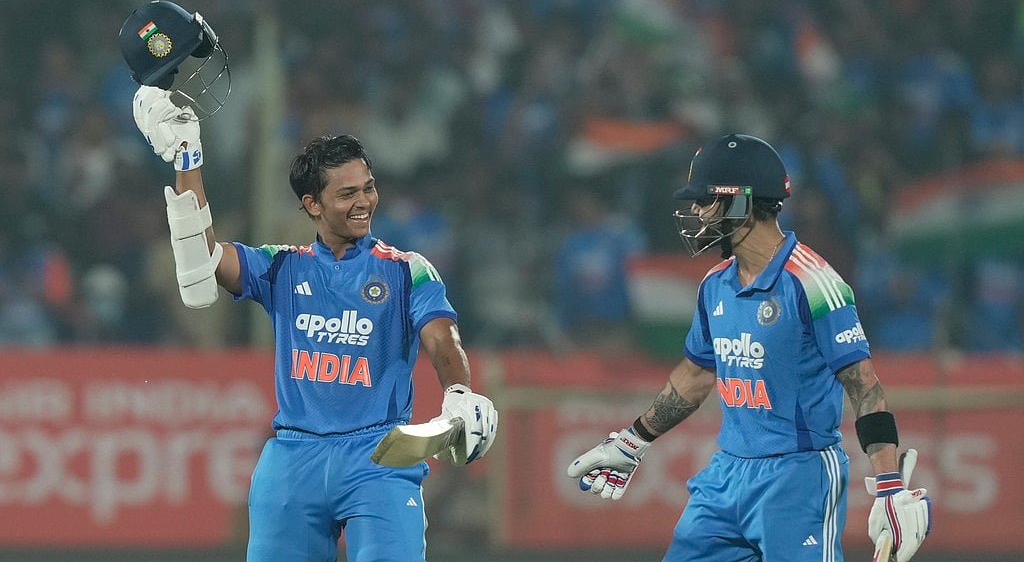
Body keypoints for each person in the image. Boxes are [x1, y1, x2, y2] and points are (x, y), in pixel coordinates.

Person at [131, 85, 497, 561]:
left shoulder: (407, 268)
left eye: (368, 187)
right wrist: (188, 159)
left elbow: (442, 336)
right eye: (346, 194)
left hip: (378, 459)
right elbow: (201, 262)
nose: (364, 201)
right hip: (292, 458)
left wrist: (458, 392)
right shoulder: (282, 266)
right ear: (312, 205)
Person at [566, 134, 931, 561]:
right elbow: (696, 375)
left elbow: (865, 387)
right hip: (726, 477)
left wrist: (888, 489)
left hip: (798, 478)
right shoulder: (714, 283)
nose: (697, 211)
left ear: (739, 201)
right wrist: (634, 441)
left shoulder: (815, 282)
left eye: (705, 199)